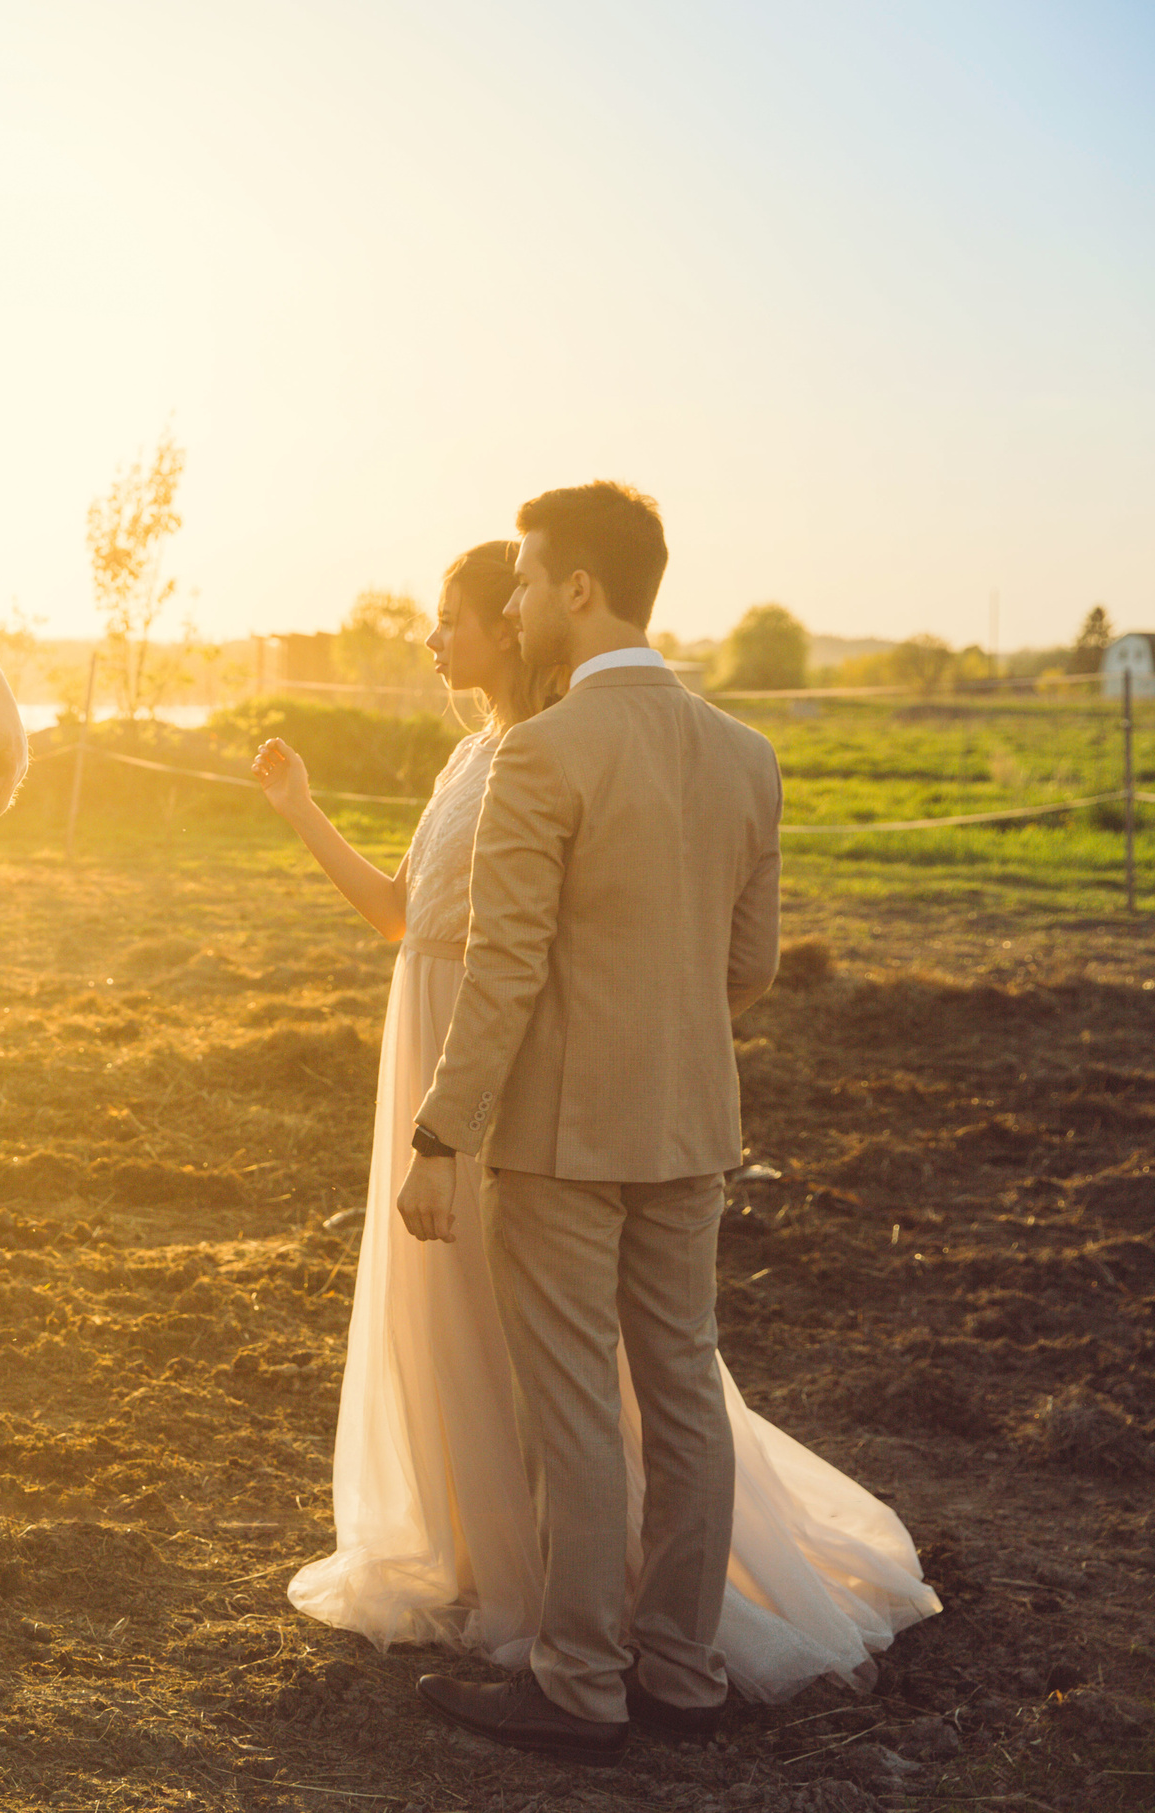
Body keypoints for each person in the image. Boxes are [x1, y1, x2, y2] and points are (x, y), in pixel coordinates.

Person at [254, 501, 938, 1766]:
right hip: (691, 1123)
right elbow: (748, 967)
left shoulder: (544, 753)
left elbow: (505, 969)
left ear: (577, 589)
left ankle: (580, 1681)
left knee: (570, 1404)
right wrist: (658, 1034)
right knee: (679, 1391)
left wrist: (442, 1133)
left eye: (518, 579)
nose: (510, 602)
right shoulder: (744, 752)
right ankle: (679, 1667)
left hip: (560, 1134)